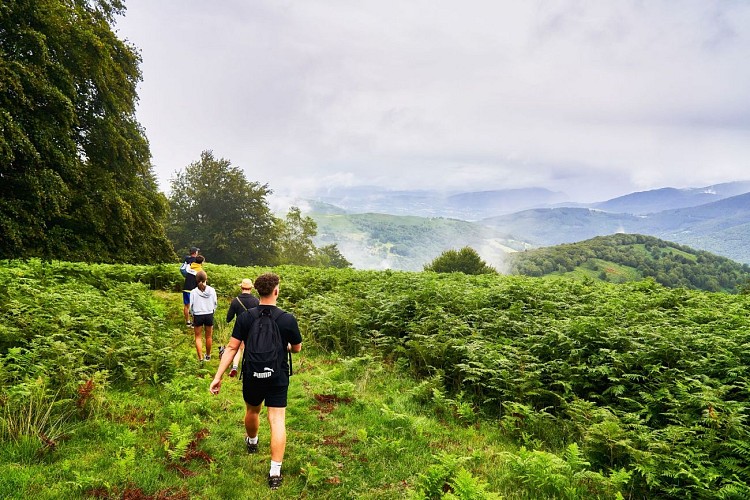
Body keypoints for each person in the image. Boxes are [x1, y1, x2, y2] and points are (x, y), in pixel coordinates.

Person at [210, 272, 302, 490]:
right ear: (276, 291)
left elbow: (232, 348)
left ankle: (252, 443)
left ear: (258, 291)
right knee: (277, 419)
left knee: (252, 411)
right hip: (277, 375)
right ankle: (275, 472)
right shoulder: (287, 319)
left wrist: (217, 377)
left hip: (252, 373)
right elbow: (296, 349)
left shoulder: (246, 317)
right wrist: (284, 346)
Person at [221, 278, 260, 377]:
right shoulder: (256, 301)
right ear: (251, 288)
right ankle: (252, 367)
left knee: (238, 348)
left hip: (240, 327)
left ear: (241, 287)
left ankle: (234, 366)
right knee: (251, 347)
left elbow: (229, 318)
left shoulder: (236, 301)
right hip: (253, 328)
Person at [189, 270, 217, 362]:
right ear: (206, 279)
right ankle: (208, 356)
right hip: (209, 314)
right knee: (209, 336)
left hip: (198, 315)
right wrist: (212, 311)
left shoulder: (193, 292)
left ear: (196, 280)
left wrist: (192, 314)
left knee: (198, 337)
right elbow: (215, 303)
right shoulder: (212, 290)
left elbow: (191, 306)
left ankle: (200, 358)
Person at [181, 247, 200, 326]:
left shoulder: (187, 260)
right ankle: (194, 323)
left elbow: (182, 269)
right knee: (195, 306)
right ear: (195, 253)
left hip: (186, 286)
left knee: (186, 305)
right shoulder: (197, 262)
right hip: (194, 288)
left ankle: (187, 322)